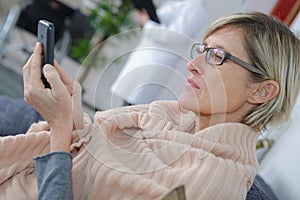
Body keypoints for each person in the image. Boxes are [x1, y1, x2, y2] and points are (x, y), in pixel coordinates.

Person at [0, 11, 299, 200]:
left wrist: (61, 128)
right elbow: (90, 152)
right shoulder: (166, 117)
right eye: (202, 50)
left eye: (217, 56)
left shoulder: (211, 183)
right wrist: (71, 106)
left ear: (262, 91)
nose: (192, 64)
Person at [111, 0, 207, 105]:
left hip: (157, 61)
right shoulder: (176, 3)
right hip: (146, 55)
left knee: (132, 105)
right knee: (126, 101)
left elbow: (175, 36)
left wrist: (147, 23)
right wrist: (146, 18)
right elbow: (161, 21)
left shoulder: (196, 9)